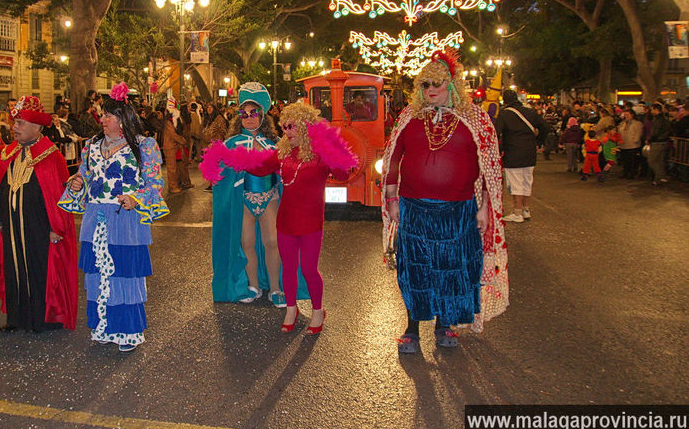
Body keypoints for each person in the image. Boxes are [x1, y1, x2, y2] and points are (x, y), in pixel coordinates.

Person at [381, 50, 508, 353]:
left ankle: (444, 326)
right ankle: (412, 328)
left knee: (451, 270)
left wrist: (484, 208)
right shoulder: (409, 117)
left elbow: (490, 166)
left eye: (437, 84)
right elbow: (392, 161)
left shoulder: (476, 118)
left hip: (459, 210)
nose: (430, 90)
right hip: (414, 208)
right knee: (415, 269)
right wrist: (393, 199)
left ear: (452, 85)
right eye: (425, 85)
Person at [59, 82, 168, 352]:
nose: (103, 119)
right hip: (96, 219)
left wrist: (137, 199)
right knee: (97, 276)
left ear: (123, 120)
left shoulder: (145, 146)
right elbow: (84, 177)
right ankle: (103, 327)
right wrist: (76, 183)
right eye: (102, 115)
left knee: (124, 275)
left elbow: (154, 183)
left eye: (108, 115)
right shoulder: (91, 146)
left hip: (126, 220)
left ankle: (128, 331)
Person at [240, 102, 357, 335]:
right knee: (289, 268)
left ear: (305, 127)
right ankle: (291, 309)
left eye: (291, 126)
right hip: (285, 221)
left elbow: (344, 174)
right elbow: (260, 168)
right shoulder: (282, 152)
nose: (287, 131)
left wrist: (330, 146)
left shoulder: (320, 153)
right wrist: (232, 159)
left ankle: (317, 311)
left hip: (311, 223)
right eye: (284, 127)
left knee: (309, 270)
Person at [0, 96, 77, 333]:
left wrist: (55, 227)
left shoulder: (51, 155)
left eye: (20, 124)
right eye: (14, 123)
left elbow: (58, 196)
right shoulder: (8, 153)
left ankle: (41, 318)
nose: (14, 128)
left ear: (37, 127)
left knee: (39, 270)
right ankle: (16, 318)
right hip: (12, 225)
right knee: (13, 268)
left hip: (39, 227)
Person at [200, 83, 294, 307]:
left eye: (254, 113)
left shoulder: (273, 145)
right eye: (244, 113)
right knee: (246, 243)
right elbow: (219, 178)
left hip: (269, 199)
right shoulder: (230, 145)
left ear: (263, 116)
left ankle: (275, 288)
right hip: (243, 202)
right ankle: (252, 285)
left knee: (273, 242)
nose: (249, 118)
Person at [494, 89, 549, 223]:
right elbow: (545, 127)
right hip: (529, 151)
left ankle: (517, 212)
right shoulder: (530, 112)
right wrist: (539, 141)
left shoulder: (505, 114)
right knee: (527, 181)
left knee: (515, 182)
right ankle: (526, 209)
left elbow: (496, 132)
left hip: (513, 152)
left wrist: (499, 149)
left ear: (504, 100)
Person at [646, 103, 671, 186]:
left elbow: (655, 132)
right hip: (664, 142)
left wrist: (649, 140)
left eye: (652, 109)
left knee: (652, 160)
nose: (651, 111)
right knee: (660, 161)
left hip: (657, 142)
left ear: (656, 109)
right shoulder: (665, 118)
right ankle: (659, 179)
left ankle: (661, 176)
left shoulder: (657, 120)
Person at [617, 109, 643, 179]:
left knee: (632, 161)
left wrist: (635, 141)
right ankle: (625, 173)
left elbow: (638, 134)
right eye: (625, 115)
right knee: (625, 161)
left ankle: (632, 174)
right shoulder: (622, 123)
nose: (626, 116)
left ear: (632, 115)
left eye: (627, 115)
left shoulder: (637, 123)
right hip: (623, 145)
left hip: (633, 145)